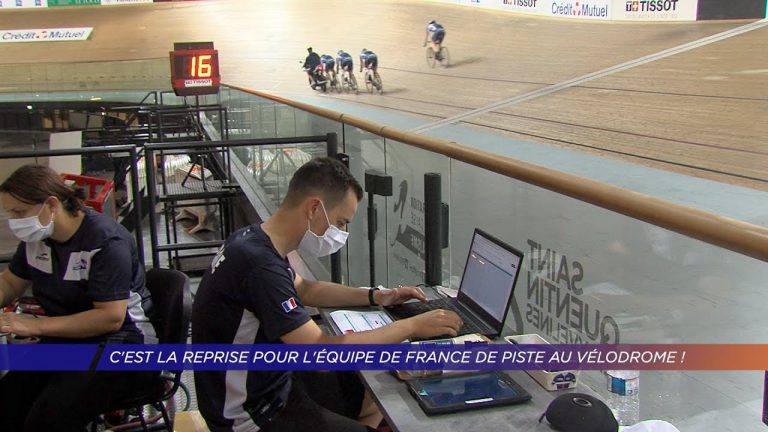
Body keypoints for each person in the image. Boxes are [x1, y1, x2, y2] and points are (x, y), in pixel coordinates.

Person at [193, 157, 462, 432]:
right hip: (252, 416)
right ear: (313, 208)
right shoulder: (259, 265)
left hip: (272, 382)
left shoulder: (253, 239)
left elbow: (306, 289)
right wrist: (412, 326)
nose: (342, 233)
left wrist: (378, 296)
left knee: (370, 392)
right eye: (341, 222)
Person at [0, 164, 157, 432]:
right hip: (68, 344)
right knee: (9, 404)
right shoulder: (39, 239)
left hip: (122, 346)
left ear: (50, 204)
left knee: (48, 419)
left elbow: (109, 318)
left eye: (19, 213)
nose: (15, 222)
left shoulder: (105, 241)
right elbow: (10, 282)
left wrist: (32, 324)